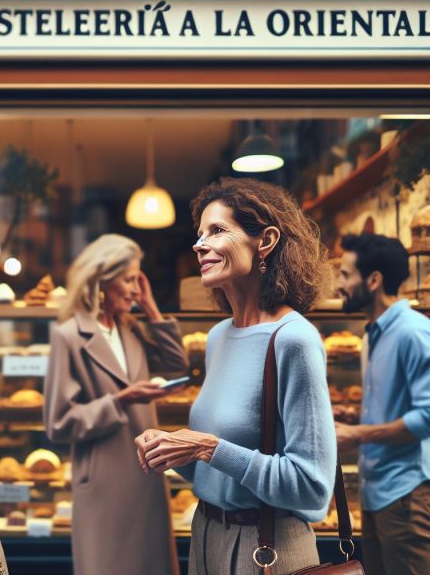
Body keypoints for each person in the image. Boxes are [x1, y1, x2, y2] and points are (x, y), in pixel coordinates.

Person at [135, 178, 337, 575]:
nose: (199, 244)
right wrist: (173, 449)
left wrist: (209, 447)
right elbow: (222, 473)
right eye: (199, 234)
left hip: (266, 549)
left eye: (217, 230)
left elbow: (312, 488)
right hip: (205, 537)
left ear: (265, 241)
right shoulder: (218, 337)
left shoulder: (293, 339)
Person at [43, 233, 188, 575]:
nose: (136, 289)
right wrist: (122, 400)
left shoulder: (131, 327)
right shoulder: (69, 336)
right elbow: (59, 422)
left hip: (146, 473)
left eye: (138, 280)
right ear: (101, 282)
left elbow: (176, 363)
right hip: (104, 482)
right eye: (128, 280)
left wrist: (151, 308)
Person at [333, 233, 430, 575]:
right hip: (380, 491)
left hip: (408, 492)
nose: (339, 284)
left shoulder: (414, 333)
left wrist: (358, 433)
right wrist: (355, 414)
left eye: (345, 275)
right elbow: (398, 407)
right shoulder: (373, 335)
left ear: (373, 280)